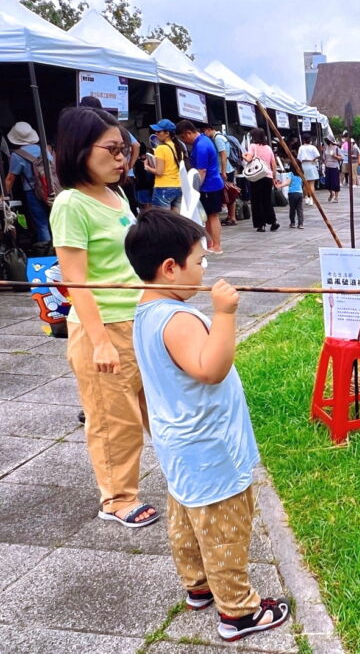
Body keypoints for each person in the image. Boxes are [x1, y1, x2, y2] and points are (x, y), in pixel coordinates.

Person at [123, 209, 290, 642]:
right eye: (200, 261)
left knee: (186, 516)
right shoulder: (177, 320)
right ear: (169, 268)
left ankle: (198, 586)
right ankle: (238, 612)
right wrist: (225, 314)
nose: (204, 268)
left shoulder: (145, 312)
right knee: (225, 529)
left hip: (180, 446)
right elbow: (211, 369)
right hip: (209, 447)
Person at [48, 106, 158, 528]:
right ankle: (116, 498)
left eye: (125, 149)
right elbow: (75, 282)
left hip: (139, 320)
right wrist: (100, 341)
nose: (121, 158)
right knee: (114, 419)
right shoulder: (71, 204)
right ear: (79, 150)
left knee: (155, 407)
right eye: (111, 149)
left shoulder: (117, 196)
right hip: (102, 326)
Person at [176, 120, 226, 253]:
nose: (184, 140)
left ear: (188, 133)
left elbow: (201, 171)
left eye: (183, 137)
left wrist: (194, 190)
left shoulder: (201, 146)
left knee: (212, 216)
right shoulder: (203, 140)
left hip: (209, 185)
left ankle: (217, 245)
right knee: (208, 216)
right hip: (211, 184)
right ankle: (211, 243)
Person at [4, 121, 52, 244]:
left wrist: (4, 196)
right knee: (55, 220)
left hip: (32, 192)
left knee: (41, 224)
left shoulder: (17, 155)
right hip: (51, 189)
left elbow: (10, 179)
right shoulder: (43, 149)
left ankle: (46, 254)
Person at [241, 128, 280, 232]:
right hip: (268, 177)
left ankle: (261, 225)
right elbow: (273, 164)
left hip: (256, 177)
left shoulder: (252, 146)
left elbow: (248, 159)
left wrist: (243, 155)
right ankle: (273, 222)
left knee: (257, 201)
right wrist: (274, 177)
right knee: (267, 200)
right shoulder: (268, 148)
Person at [145, 119, 184, 210]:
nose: (156, 133)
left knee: (162, 220)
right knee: (175, 220)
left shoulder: (161, 148)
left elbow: (159, 172)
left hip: (163, 187)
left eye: (159, 131)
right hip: (178, 186)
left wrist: (147, 167)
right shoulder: (178, 147)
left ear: (167, 133)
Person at [205, 125, 238, 226]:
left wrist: (223, 171)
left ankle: (232, 217)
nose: (204, 134)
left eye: (204, 131)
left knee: (229, 193)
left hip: (224, 170)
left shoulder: (218, 138)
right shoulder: (221, 136)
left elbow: (223, 155)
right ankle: (231, 216)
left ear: (209, 129)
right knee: (229, 193)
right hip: (227, 169)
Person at [296, 133, 320, 207]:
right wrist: (313, 160)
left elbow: (299, 158)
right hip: (311, 164)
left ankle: (306, 197)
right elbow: (318, 155)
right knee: (312, 183)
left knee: (305, 183)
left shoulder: (301, 147)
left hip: (304, 165)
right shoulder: (312, 147)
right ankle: (311, 199)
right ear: (310, 140)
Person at [322, 137, 342, 203]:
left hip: (335, 167)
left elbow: (341, 157)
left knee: (335, 182)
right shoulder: (326, 148)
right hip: (327, 166)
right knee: (328, 183)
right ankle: (331, 193)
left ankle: (336, 197)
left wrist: (335, 156)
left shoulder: (336, 148)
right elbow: (324, 158)